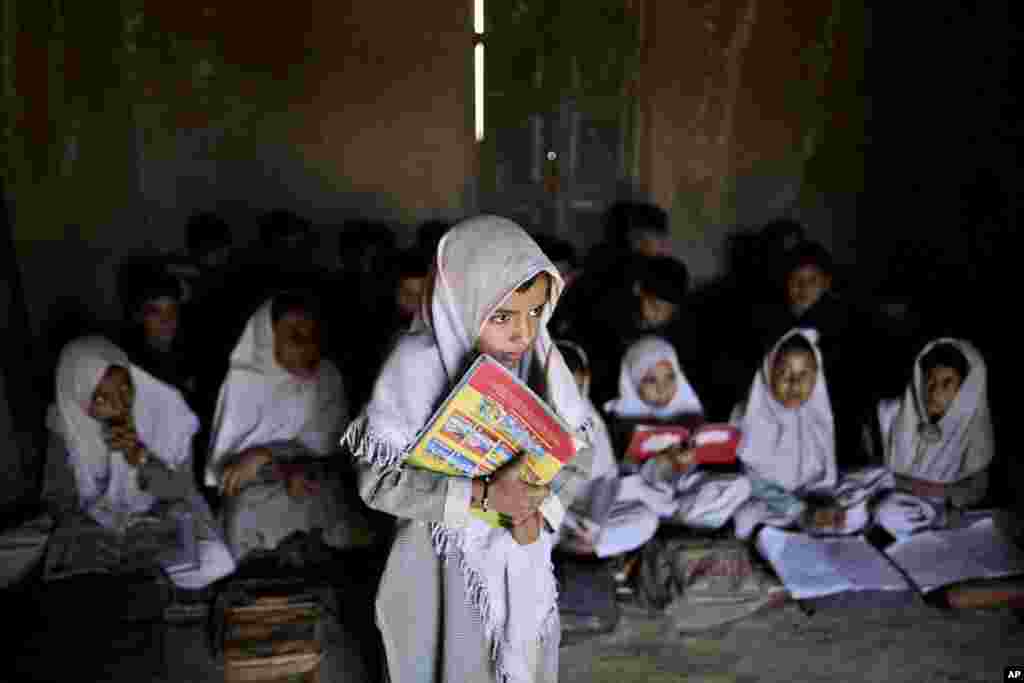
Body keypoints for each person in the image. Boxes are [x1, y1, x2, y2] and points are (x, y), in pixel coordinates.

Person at [342, 215, 594, 683]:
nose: (523, 333)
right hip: (444, 562)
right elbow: (377, 481)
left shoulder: (543, 358)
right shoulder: (414, 367)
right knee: (458, 661)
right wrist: (481, 497)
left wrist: (538, 507)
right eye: (502, 316)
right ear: (460, 300)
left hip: (523, 550)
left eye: (536, 312)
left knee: (524, 658)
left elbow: (578, 456)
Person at [46, 336, 235, 588]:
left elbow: (182, 490)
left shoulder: (167, 410)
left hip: (157, 524)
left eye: (125, 389)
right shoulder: (65, 421)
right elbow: (58, 498)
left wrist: (141, 457)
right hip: (98, 534)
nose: (120, 406)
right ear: (80, 400)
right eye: (102, 398)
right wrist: (95, 529)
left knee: (216, 560)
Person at [205, 292, 369, 562]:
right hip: (257, 500)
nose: (307, 346)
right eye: (294, 336)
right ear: (267, 340)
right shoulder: (243, 382)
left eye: (312, 335)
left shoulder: (327, 377)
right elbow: (228, 476)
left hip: (316, 487)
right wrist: (278, 466)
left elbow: (342, 458)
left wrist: (271, 456)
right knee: (245, 512)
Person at [605, 336, 751, 531]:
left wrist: (692, 457)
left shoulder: (690, 409)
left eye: (670, 377)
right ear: (633, 381)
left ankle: (678, 515)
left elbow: (704, 463)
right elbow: (617, 477)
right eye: (650, 380)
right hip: (646, 491)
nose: (662, 388)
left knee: (741, 485)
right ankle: (688, 515)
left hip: (684, 485)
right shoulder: (617, 420)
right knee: (625, 490)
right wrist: (660, 461)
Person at [873, 339, 995, 538]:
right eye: (929, 380)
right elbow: (877, 477)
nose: (934, 391)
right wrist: (944, 490)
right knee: (884, 512)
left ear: (966, 391)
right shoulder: (890, 414)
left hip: (941, 516)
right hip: (892, 505)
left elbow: (974, 491)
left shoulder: (975, 428)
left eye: (947, 383)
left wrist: (943, 497)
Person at [554, 340, 658, 559]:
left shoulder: (591, 419)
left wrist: (593, 524)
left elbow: (606, 478)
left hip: (581, 511)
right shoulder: (526, 414)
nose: (570, 397)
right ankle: (566, 547)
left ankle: (578, 547)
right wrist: (569, 520)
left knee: (645, 518)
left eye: (576, 388)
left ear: (585, 381)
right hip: (545, 512)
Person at [117, 266, 197, 402]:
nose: (167, 320)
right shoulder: (129, 369)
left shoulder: (189, 354)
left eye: (172, 310)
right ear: (139, 316)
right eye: (155, 312)